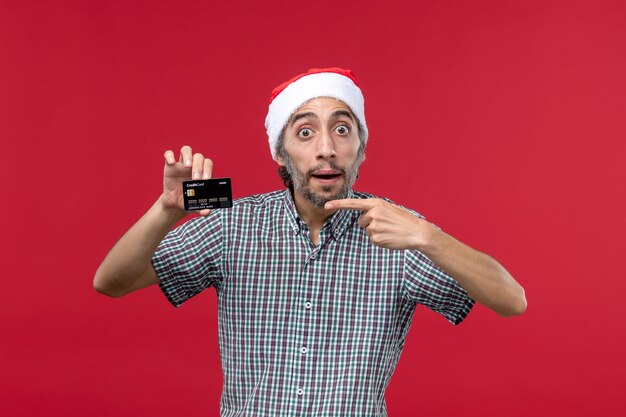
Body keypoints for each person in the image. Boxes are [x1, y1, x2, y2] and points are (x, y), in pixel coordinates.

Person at [94, 67, 526, 416]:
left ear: (360, 149)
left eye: (342, 130)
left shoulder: (400, 231)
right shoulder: (233, 222)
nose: (326, 149)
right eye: (305, 132)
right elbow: (111, 282)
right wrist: (167, 210)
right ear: (280, 152)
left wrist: (428, 236)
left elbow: (512, 300)